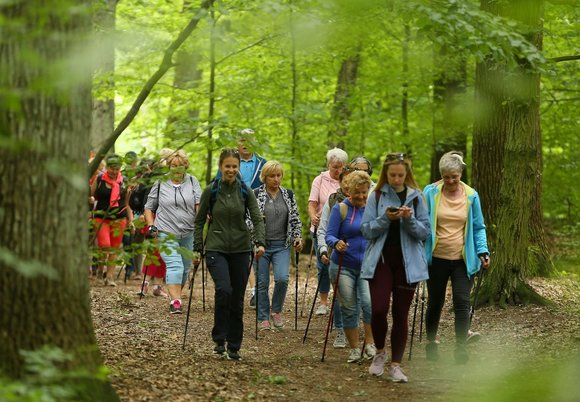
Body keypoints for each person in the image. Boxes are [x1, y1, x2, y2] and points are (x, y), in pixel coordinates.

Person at [360, 152, 430, 383]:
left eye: (401, 175)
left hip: (408, 263)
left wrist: (408, 219)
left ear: (407, 174)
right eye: (393, 175)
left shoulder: (417, 197)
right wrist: (386, 219)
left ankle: (396, 365)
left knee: (401, 314)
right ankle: (380, 353)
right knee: (378, 309)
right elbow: (366, 230)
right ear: (386, 174)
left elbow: (425, 232)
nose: (397, 179)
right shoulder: (376, 195)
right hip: (380, 260)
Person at [194, 148, 266, 361]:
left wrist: (260, 242)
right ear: (221, 167)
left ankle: (234, 345)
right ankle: (219, 338)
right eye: (228, 166)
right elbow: (198, 221)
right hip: (216, 248)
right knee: (224, 290)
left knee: (237, 298)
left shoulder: (245, 191)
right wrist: (198, 247)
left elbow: (257, 217)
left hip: (241, 249)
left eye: (235, 166)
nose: (231, 170)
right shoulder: (211, 191)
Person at [423, 151, 490, 364]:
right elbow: (422, 222)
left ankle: (461, 347)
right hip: (436, 258)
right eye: (446, 177)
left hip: (463, 259)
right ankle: (431, 342)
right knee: (435, 302)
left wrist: (483, 251)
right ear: (441, 176)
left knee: (462, 301)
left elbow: (479, 227)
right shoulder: (431, 193)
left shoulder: (472, 196)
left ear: (461, 173)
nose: (451, 181)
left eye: (454, 176)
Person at [144, 150, 202, 314]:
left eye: (181, 166)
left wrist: (201, 220)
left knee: (184, 269)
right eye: (173, 166)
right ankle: (175, 301)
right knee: (174, 265)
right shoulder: (160, 183)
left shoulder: (192, 181)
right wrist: (150, 225)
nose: (177, 169)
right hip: (165, 231)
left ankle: (175, 295)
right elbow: (149, 207)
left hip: (188, 232)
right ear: (169, 166)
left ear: (186, 166)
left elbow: (198, 204)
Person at [326, 171, 376, 363]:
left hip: (367, 266)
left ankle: (370, 344)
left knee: (369, 304)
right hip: (343, 265)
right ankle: (355, 349)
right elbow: (329, 235)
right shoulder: (340, 209)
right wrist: (336, 242)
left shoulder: (372, 209)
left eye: (364, 192)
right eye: (358, 193)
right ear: (349, 191)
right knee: (349, 307)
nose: (362, 197)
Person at [216, 129, 267, 308]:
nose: (246, 143)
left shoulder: (263, 163)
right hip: (233, 211)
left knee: (256, 248)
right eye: (242, 140)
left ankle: (256, 291)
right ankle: (246, 289)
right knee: (243, 250)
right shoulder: (230, 162)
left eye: (250, 140)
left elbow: (270, 186)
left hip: (257, 211)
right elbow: (217, 184)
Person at [252, 161, 303, 330]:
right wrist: (255, 239)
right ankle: (263, 317)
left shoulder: (288, 194)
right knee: (262, 282)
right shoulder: (256, 194)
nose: (276, 179)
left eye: (278, 175)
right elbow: (248, 220)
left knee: (282, 278)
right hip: (262, 245)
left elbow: (295, 218)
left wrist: (297, 237)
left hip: (282, 244)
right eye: (272, 176)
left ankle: (276, 311)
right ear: (264, 177)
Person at [308, 147, 348, 317]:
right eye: (334, 167)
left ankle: (339, 301)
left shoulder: (347, 181)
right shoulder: (320, 180)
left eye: (340, 166)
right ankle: (323, 302)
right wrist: (312, 217)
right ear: (329, 165)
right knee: (323, 265)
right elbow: (312, 203)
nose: (337, 170)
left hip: (342, 231)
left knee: (340, 267)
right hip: (321, 229)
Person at [90, 154, 129, 286]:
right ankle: (101, 270)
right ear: (107, 167)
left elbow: (127, 203)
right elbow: (90, 194)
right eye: (111, 168)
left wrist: (131, 220)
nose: (113, 171)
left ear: (120, 168)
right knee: (105, 245)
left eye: (116, 169)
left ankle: (110, 276)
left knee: (114, 248)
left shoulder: (124, 181)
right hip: (101, 218)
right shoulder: (99, 178)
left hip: (119, 218)